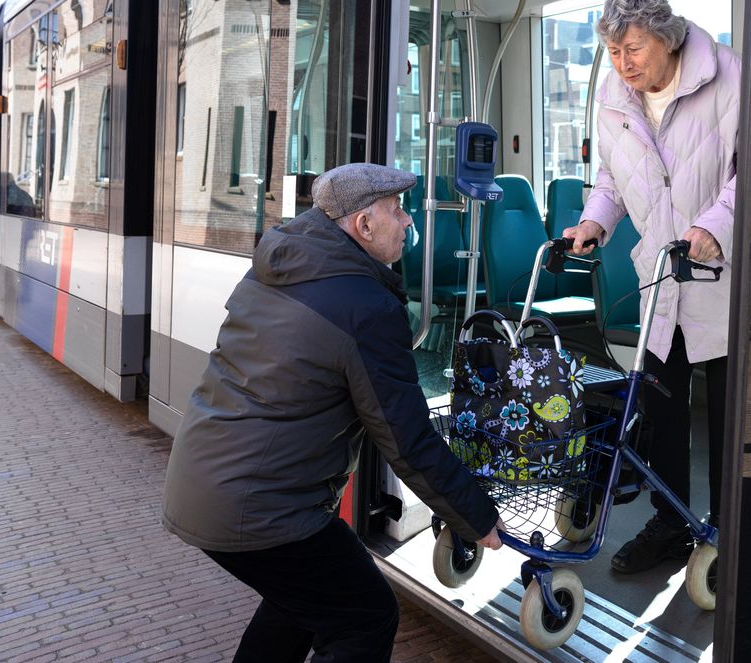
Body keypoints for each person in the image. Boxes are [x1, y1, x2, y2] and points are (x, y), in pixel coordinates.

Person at [162, 162, 503, 663]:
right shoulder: (364, 306)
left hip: (204, 481)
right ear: (363, 226)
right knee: (365, 617)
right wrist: (474, 515)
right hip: (263, 506)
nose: (408, 222)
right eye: (397, 211)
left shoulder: (282, 263)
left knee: (298, 606)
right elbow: (406, 440)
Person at [563, 0, 739, 574]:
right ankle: (671, 527)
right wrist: (593, 221)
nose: (623, 62)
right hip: (661, 276)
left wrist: (716, 224)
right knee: (663, 410)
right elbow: (613, 179)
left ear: (668, 38)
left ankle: (733, 532)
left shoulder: (727, 76)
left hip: (718, 272)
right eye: (612, 51)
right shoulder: (615, 96)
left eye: (632, 48)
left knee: (728, 417)